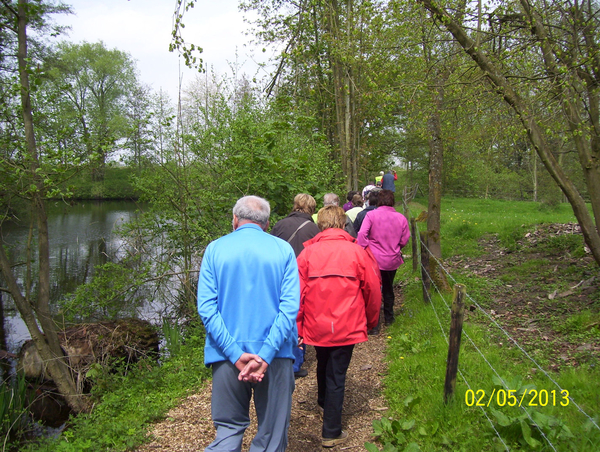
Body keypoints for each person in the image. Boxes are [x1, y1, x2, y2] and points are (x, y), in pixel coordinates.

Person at [197, 195, 300, 452]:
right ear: (266, 223)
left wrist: (235, 353)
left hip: (226, 357)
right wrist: (264, 355)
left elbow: (207, 309)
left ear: (235, 219)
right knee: (271, 436)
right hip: (275, 356)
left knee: (228, 431)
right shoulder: (283, 250)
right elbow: (289, 310)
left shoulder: (215, 249)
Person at [296, 206, 381, 448]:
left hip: (317, 323)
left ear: (320, 225)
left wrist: (299, 329)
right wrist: (371, 320)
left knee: (324, 361)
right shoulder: (357, 252)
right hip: (347, 323)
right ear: (343, 223)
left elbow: (296, 296)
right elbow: (373, 291)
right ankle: (331, 430)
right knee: (337, 373)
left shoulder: (307, 254)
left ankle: (324, 403)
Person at [271, 193, 321, 379]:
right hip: (302, 277)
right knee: (299, 317)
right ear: (312, 208)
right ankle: (295, 362)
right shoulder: (314, 229)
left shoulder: (279, 225)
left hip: (279, 276)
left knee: (280, 314)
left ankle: (277, 354)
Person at [357, 189, 410, 332]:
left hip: (374, 259)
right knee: (388, 287)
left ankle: (374, 325)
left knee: (374, 291)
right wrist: (397, 247)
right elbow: (405, 239)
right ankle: (389, 318)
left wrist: (364, 249)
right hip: (392, 259)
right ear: (393, 201)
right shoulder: (401, 218)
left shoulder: (371, 215)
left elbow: (362, 234)